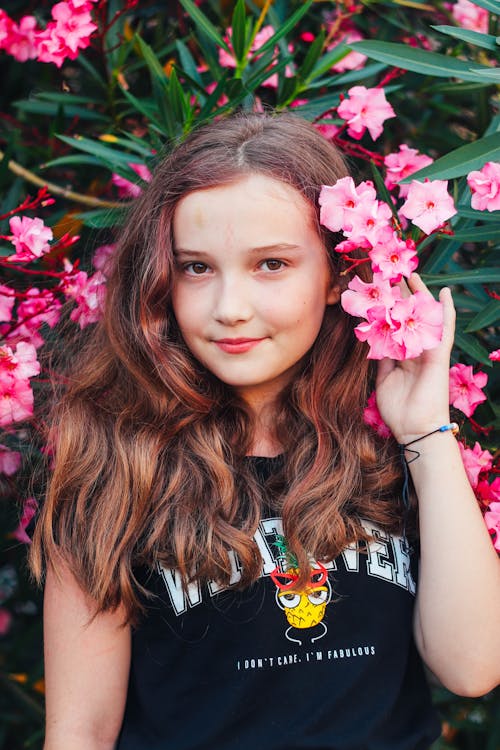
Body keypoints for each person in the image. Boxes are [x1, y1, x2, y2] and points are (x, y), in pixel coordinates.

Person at [29, 112, 500, 750]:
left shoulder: (392, 451)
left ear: (338, 275)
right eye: (197, 268)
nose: (229, 307)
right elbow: (80, 732)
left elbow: (473, 666)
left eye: (271, 264)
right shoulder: (117, 463)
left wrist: (425, 430)